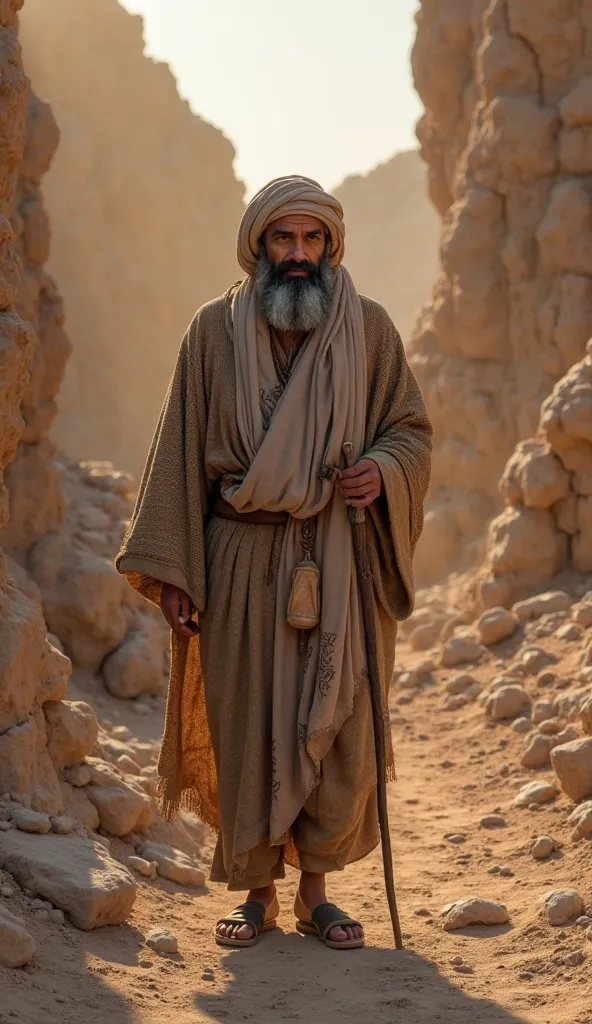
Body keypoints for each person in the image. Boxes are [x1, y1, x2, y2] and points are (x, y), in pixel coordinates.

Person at [116, 175, 432, 950]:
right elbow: (180, 458)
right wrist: (178, 574)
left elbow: (411, 430)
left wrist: (383, 470)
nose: (299, 255)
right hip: (240, 561)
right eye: (283, 240)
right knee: (247, 723)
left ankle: (316, 894)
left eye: (312, 239)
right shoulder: (210, 334)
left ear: (331, 246)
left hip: (339, 554)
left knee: (337, 721)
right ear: (258, 246)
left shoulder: (371, 328)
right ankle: (256, 893)